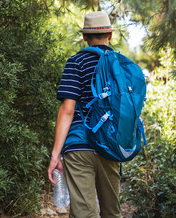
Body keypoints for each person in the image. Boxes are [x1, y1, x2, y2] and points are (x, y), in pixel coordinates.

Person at [47, 11, 121, 218]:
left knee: (83, 214)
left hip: (79, 147)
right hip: (110, 145)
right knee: (112, 212)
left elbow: (68, 109)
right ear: (110, 35)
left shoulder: (75, 62)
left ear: (84, 37)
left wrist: (55, 155)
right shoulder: (120, 65)